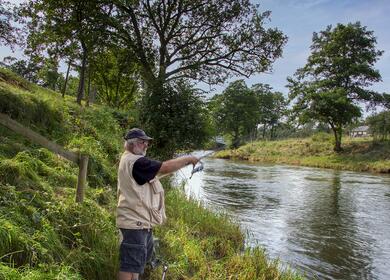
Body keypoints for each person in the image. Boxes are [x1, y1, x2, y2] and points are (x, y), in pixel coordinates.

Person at [117, 128, 199, 280]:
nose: (146, 145)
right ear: (131, 144)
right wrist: (189, 159)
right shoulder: (136, 162)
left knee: (136, 264)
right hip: (134, 224)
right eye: (142, 142)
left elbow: (157, 172)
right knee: (129, 266)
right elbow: (165, 167)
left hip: (139, 223)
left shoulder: (131, 160)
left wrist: (184, 163)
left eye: (147, 143)